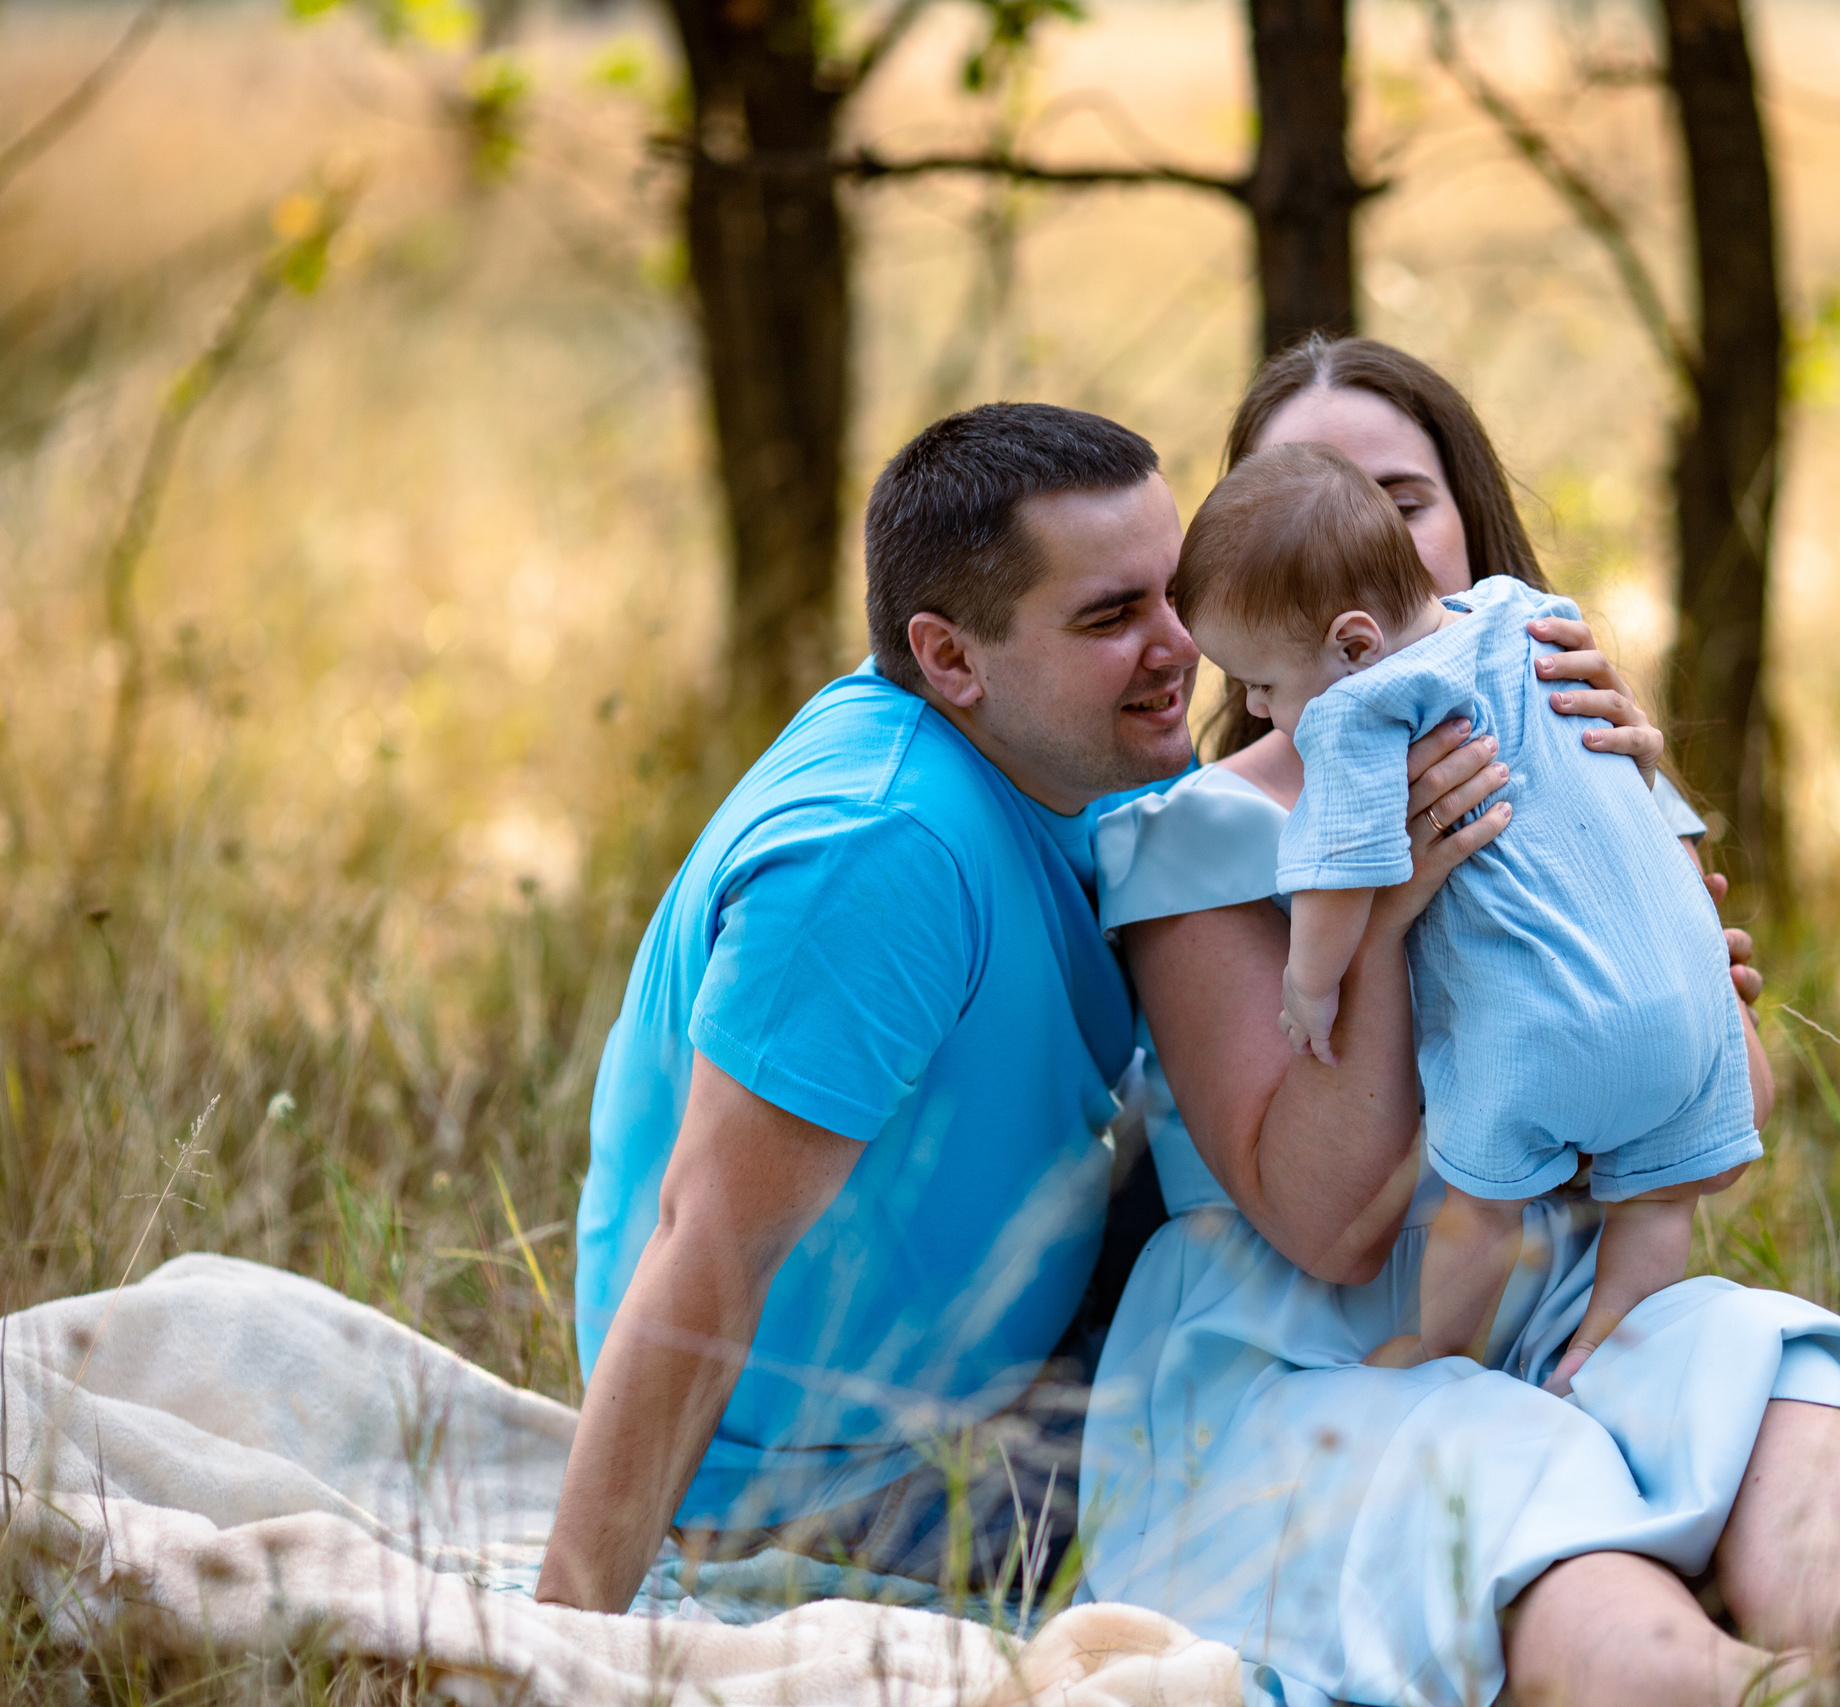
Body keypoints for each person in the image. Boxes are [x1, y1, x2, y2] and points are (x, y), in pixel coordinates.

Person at [1077, 335, 1840, 1707]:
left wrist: (1644, 895)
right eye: (1307, 497)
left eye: (1401, 500)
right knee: (1504, 1476)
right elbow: (1330, 1224)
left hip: (1559, 1295)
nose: (1355, 539)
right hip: (1317, 1359)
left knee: (1752, 1363)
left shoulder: (1564, 728)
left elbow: (1731, 1103)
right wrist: (1389, 914)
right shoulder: (1197, 840)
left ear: (1465, 527)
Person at [532, 398, 1670, 1617]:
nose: (1179, 645)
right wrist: (569, 1632)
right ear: (950, 658)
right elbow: (707, 1242)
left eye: (1173, 594)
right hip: (839, 1479)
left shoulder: (1068, 761)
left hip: (1022, 1360)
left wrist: (1615, 876)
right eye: (1110, 617)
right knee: (1349, 1487)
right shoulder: (877, 853)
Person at [1171, 443, 1762, 1386]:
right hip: (1688, 1015)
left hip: (1547, 1040)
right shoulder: (1528, 617)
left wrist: (1311, 984)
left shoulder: (1366, 705)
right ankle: (1604, 1344)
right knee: (1660, 1196)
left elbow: (1340, 873)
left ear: (1354, 645)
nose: (1251, 700)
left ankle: (1438, 1351)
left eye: (1264, 683)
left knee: (1482, 1208)